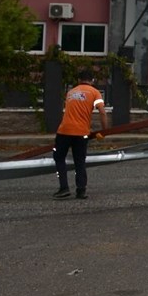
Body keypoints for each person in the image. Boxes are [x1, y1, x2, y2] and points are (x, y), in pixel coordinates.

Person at [52, 69, 109, 200]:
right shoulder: (95, 93)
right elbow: (102, 112)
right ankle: (81, 190)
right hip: (81, 133)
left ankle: (64, 188)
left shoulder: (71, 92)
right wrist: (105, 131)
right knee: (80, 161)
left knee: (59, 158)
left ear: (79, 80)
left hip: (64, 131)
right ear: (92, 80)